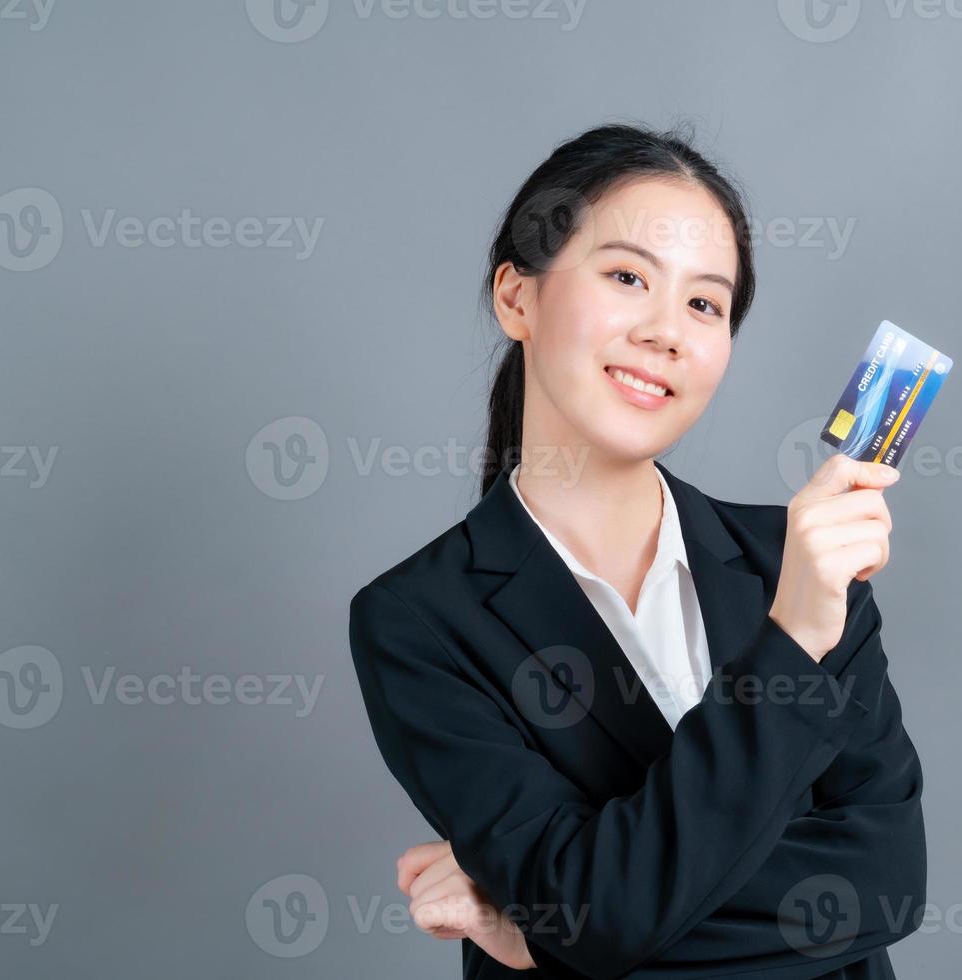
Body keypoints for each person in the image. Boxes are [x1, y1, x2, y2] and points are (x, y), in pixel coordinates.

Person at [349, 121, 926, 979]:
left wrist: (541, 932)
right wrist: (793, 641)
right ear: (517, 299)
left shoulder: (796, 559)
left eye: (705, 303)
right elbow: (604, 914)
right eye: (626, 277)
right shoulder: (418, 621)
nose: (668, 332)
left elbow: (886, 886)